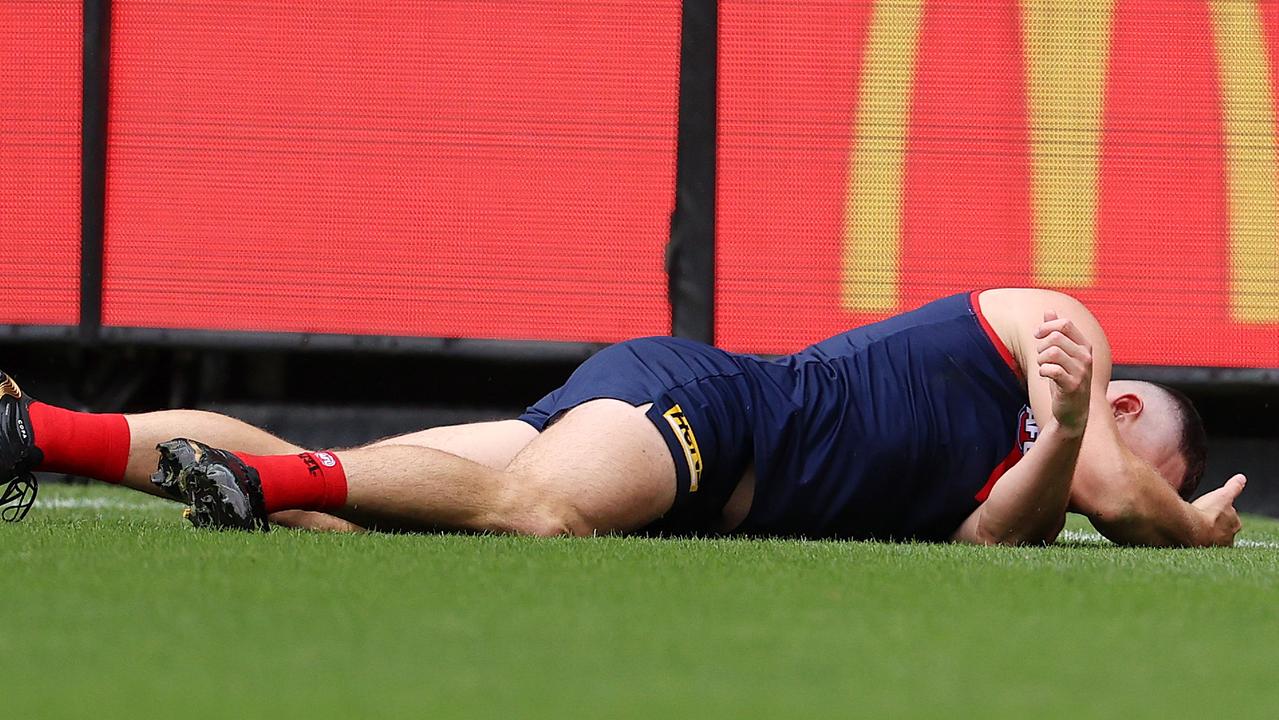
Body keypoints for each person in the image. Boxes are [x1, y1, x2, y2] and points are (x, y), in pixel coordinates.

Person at [0, 288, 1247, 545]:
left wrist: (1089, 462)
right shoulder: (1065, 336)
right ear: (1124, 403)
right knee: (536, 512)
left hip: (681, 450)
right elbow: (1118, 495)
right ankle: (263, 489)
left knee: (380, 490)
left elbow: (994, 541)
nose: (1129, 491)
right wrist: (1183, 530)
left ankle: (35, 433)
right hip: (707, 409)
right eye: (1157, 462)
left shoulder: (1028, 475)